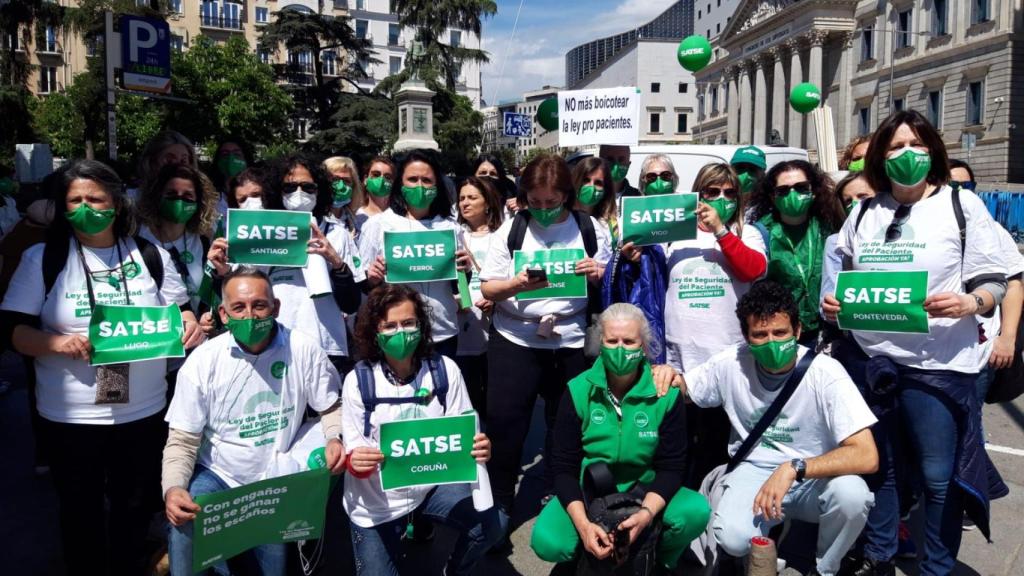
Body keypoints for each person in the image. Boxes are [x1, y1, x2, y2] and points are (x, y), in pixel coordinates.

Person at [823, 110, 1008, 576]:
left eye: (916, 145)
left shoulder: (961, 207)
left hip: (938, 365)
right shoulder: (864, 211)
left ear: (933, 152)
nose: (906, 155)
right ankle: (879, 555)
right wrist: (834, 305)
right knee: (880, 468)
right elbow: (845, 274)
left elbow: (994, 279)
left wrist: (971, 302)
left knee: (938, 477)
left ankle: (937, 567)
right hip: (872, 363)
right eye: (896, 147)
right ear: (881, 158)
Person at [0, 159, 203, 575]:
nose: (85, 207)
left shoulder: (150, 254)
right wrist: (56, 343)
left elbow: (182, 312)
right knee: (80, 513)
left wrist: (188, 326)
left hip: (143, 412)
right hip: (70, 416)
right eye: (74, 200)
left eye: (95, 198)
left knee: (133, 508)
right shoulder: (44, 257)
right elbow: (12, 331)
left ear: (116, 203)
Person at [667, 281, 878, 575]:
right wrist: (666, 374)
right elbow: (685, 389)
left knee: (853, 496)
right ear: (745, 337)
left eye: (780, 333)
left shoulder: (826, 373)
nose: (772, 342)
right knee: (732, 539)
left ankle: (825, 568)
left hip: (812, 475)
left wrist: (794, 467)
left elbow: (867, 455)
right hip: (754, 469)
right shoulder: (731, 363)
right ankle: (763, 541)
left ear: (798, 331)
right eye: (760, 335)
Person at [161, 267, 345, 576]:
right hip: (219, 475)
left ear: (276, 307)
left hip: (273, 481)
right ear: (223, 312)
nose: (251, 315)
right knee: (184, 519)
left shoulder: (303, 349)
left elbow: (331, 408)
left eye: (260, 305)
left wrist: (334, 438)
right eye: (239, 307)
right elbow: (182, 440)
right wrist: (173, 489)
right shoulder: (202, 362)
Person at [479, 153, 612, 520]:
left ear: (566, 196)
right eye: (534, 202)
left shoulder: (590, 228)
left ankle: (560, 490)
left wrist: (597, 272)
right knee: (506, 425)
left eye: (551, 203)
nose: (543, 210)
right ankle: (501, 501)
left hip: (570, 340)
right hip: (516, 339)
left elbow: (610, 278)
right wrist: (515, 284)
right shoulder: (512, 229)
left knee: (566, 423)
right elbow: (488, 288)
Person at [531, 303, 711, 571]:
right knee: (548, 541)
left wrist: (646, 514)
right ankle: (587, 550)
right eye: (611, 340)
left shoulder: (665, 394)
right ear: (600, 342)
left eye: (629, 341)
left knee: (695, 511)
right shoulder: (578, 390)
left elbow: (672, 467)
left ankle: (656, 558)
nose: (620, 348)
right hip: (589, 490)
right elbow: (563, 467)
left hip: (644, 489)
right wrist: (584, 526)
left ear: (644, 347)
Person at [341, 284, 505, 575]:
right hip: (376, 506)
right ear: (374, 332)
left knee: (493, 525)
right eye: (389, 326)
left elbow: (465, 430)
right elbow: (353, 450)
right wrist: (354, 462)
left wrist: (479, 447)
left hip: (430, 488)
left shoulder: (445, 370)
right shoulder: (359, 380)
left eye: (408, 323)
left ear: (422, 325)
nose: (400, 332)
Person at [661, 163, 767, 483]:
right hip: (678, 359)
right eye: (712, 191)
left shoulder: (746, 232)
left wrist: (721, 231)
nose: (721, 198)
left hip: (726, 358)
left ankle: (712, 512)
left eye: (729, 193)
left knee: (716, 447)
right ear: (698, 193)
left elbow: (753, 269)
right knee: (676, 446)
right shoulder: (675, 234)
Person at [360, 149, 469, 358]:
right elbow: (364, 286)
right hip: (395, 335)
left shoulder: (450, 227)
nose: (420, 186)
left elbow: (462, 291)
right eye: (412, 179)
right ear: (401, 184)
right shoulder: (378, 225)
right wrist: (371, 278)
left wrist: (465, 272)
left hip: (442, 333)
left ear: (437, 185)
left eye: (427, 180)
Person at [749, 160, 846, 346]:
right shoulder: (761, 233)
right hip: (781, 332)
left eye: (801, 187)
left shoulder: (830, 228)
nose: (792, 194)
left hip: (826, 328)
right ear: (772, 196)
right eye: (783, 190)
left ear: (814, 191)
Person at [137, 164, 219, 315]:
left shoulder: (203, 241)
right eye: (171, 194)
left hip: (193, 330)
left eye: (188, 196)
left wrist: (206, 316)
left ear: (198, 202)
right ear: (157, 196)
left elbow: (208, 292)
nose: (179, 201)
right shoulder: (138, 238)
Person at [454, 176, 503, 416]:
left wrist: (495, 299)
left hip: (494, 325)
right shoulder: (453, 235)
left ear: (488, 202)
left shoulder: (501, 236)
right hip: (462, 324)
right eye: (461, 198)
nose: (465, 203)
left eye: (472, 197)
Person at [136, 130, 199, 199]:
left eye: (183, 161)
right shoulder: (132, 203)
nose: (177, 166)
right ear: (152, 164)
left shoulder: (205, 203)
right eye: (169, 161)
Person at [572, 156, 618, 245]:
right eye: (585, 180)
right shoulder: (563, 219)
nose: (591, 187)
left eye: (598, 183)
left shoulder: (611, 225)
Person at [324, 155, 366, 238]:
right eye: (335, 179)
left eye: (347, 181)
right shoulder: (315, 219)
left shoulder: (355, 221)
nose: (341, 186)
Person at [210, 138, 251, 217]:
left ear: (246, 159)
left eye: (237, 154)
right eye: (225, 154)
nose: (230, 159)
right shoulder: (209, 194)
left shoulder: (258, 192)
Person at [359, 156, 396, 224]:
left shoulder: (399, 217)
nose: (381, 180)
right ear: (365, 179)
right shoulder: (355, 217)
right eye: (376, 175)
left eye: (387, 177)